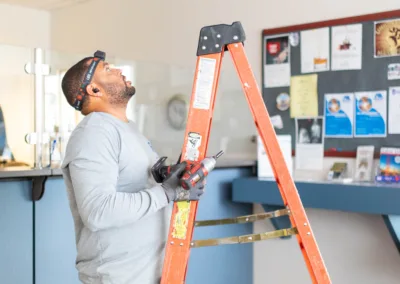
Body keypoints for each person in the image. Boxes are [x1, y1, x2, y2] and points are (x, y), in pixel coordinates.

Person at [60, 50, 205, 284]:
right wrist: (167, 193)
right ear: (93, 90)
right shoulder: (95, 132)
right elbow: (99, 211)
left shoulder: (127, 128)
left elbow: (135, 184)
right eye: (108, 69)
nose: (119, 71)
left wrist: (167, 178)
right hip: (120, 277)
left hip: (149, 272)